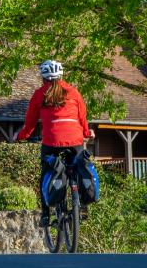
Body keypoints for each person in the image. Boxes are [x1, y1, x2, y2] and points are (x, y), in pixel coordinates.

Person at [14, 60, 95, 226]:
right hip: (75, 140)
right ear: (61, 75)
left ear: (43, 78)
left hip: (51, 141)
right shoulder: (73, 92)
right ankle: (83, 207)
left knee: (46, 172)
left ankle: (45, 215)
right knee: (80, 167)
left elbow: (29, 124)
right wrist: (87, 133)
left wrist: (20, 136)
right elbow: (82, 118)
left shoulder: (39, 94)